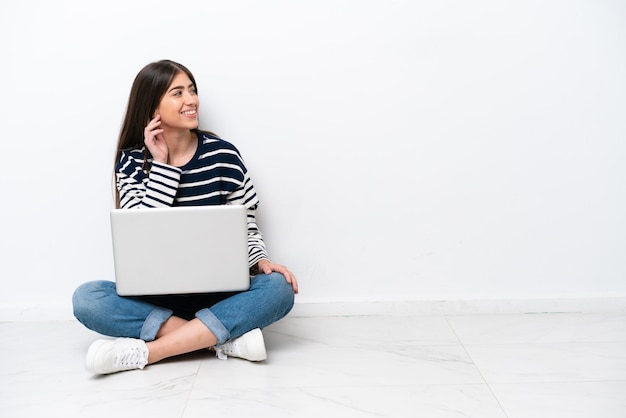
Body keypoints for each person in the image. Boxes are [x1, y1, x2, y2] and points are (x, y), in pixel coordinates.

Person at [72, 60, 298, 375]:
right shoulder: (133, 162)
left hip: (221, 295)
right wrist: (163, 167)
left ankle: (149, 352)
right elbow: (142, 235)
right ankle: (219, 338)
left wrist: (261, 262)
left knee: (279, 287)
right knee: (87, 298)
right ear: (152, 107)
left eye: (192, 90)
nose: (191, 100)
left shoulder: (224, 155)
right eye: (177, 93)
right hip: (157, 299)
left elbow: (245, 224)